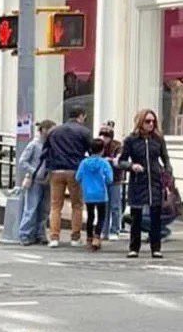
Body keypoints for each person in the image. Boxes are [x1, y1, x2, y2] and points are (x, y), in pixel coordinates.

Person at [121, 108, 173, 261]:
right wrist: (132, 166)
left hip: (155, 181)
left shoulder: (158, 139)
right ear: (140, 122)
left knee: (155, 216)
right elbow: (122, 161)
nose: (151, 124)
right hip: (138, 181)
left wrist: (167, 174)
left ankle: (156, 248)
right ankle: (134, 248)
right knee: (136, 216)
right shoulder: (131, 140)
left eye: (153, 121)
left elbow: (166, 158)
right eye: (147, 121)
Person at [42, 108, 91, 247]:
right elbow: (91, 150)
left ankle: (54, 237)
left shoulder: (54, 132)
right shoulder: (84, 131)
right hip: (75, 170)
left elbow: (46, 150)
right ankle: (75, 237)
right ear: (81, 116)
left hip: (56, 170)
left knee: (55, 206)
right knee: (77, 205)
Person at [16, 118, 55, 245]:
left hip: (47, 179)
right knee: (31, 208)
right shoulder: (34, 144)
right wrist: (34, 171)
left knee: (44, 209)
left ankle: (40, 233)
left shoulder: (52, 145)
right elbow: (22, 161)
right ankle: (24, 234)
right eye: (51, 130)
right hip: (35, 180)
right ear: (43, 130)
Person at [75, 139, 114, 253]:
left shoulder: (84, 163)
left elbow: (78, 177)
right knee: (101, 216)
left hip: (88, 193)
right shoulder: (104, 163)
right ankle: (97, 237)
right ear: (102, 150)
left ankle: (89, 238)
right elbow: (110, 179)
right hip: (101, 193)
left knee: (90, 216)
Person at [100, 121, 124, 241]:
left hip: (115, 179)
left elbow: (119, 158)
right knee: (104, 205)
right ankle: (104, 230)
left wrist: (111, 159)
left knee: (115, 205)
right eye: (102, 135)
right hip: (103, 179)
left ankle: (115, 229)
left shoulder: (117, 145)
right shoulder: (99, 144)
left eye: (106, 136)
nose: (104, 138)